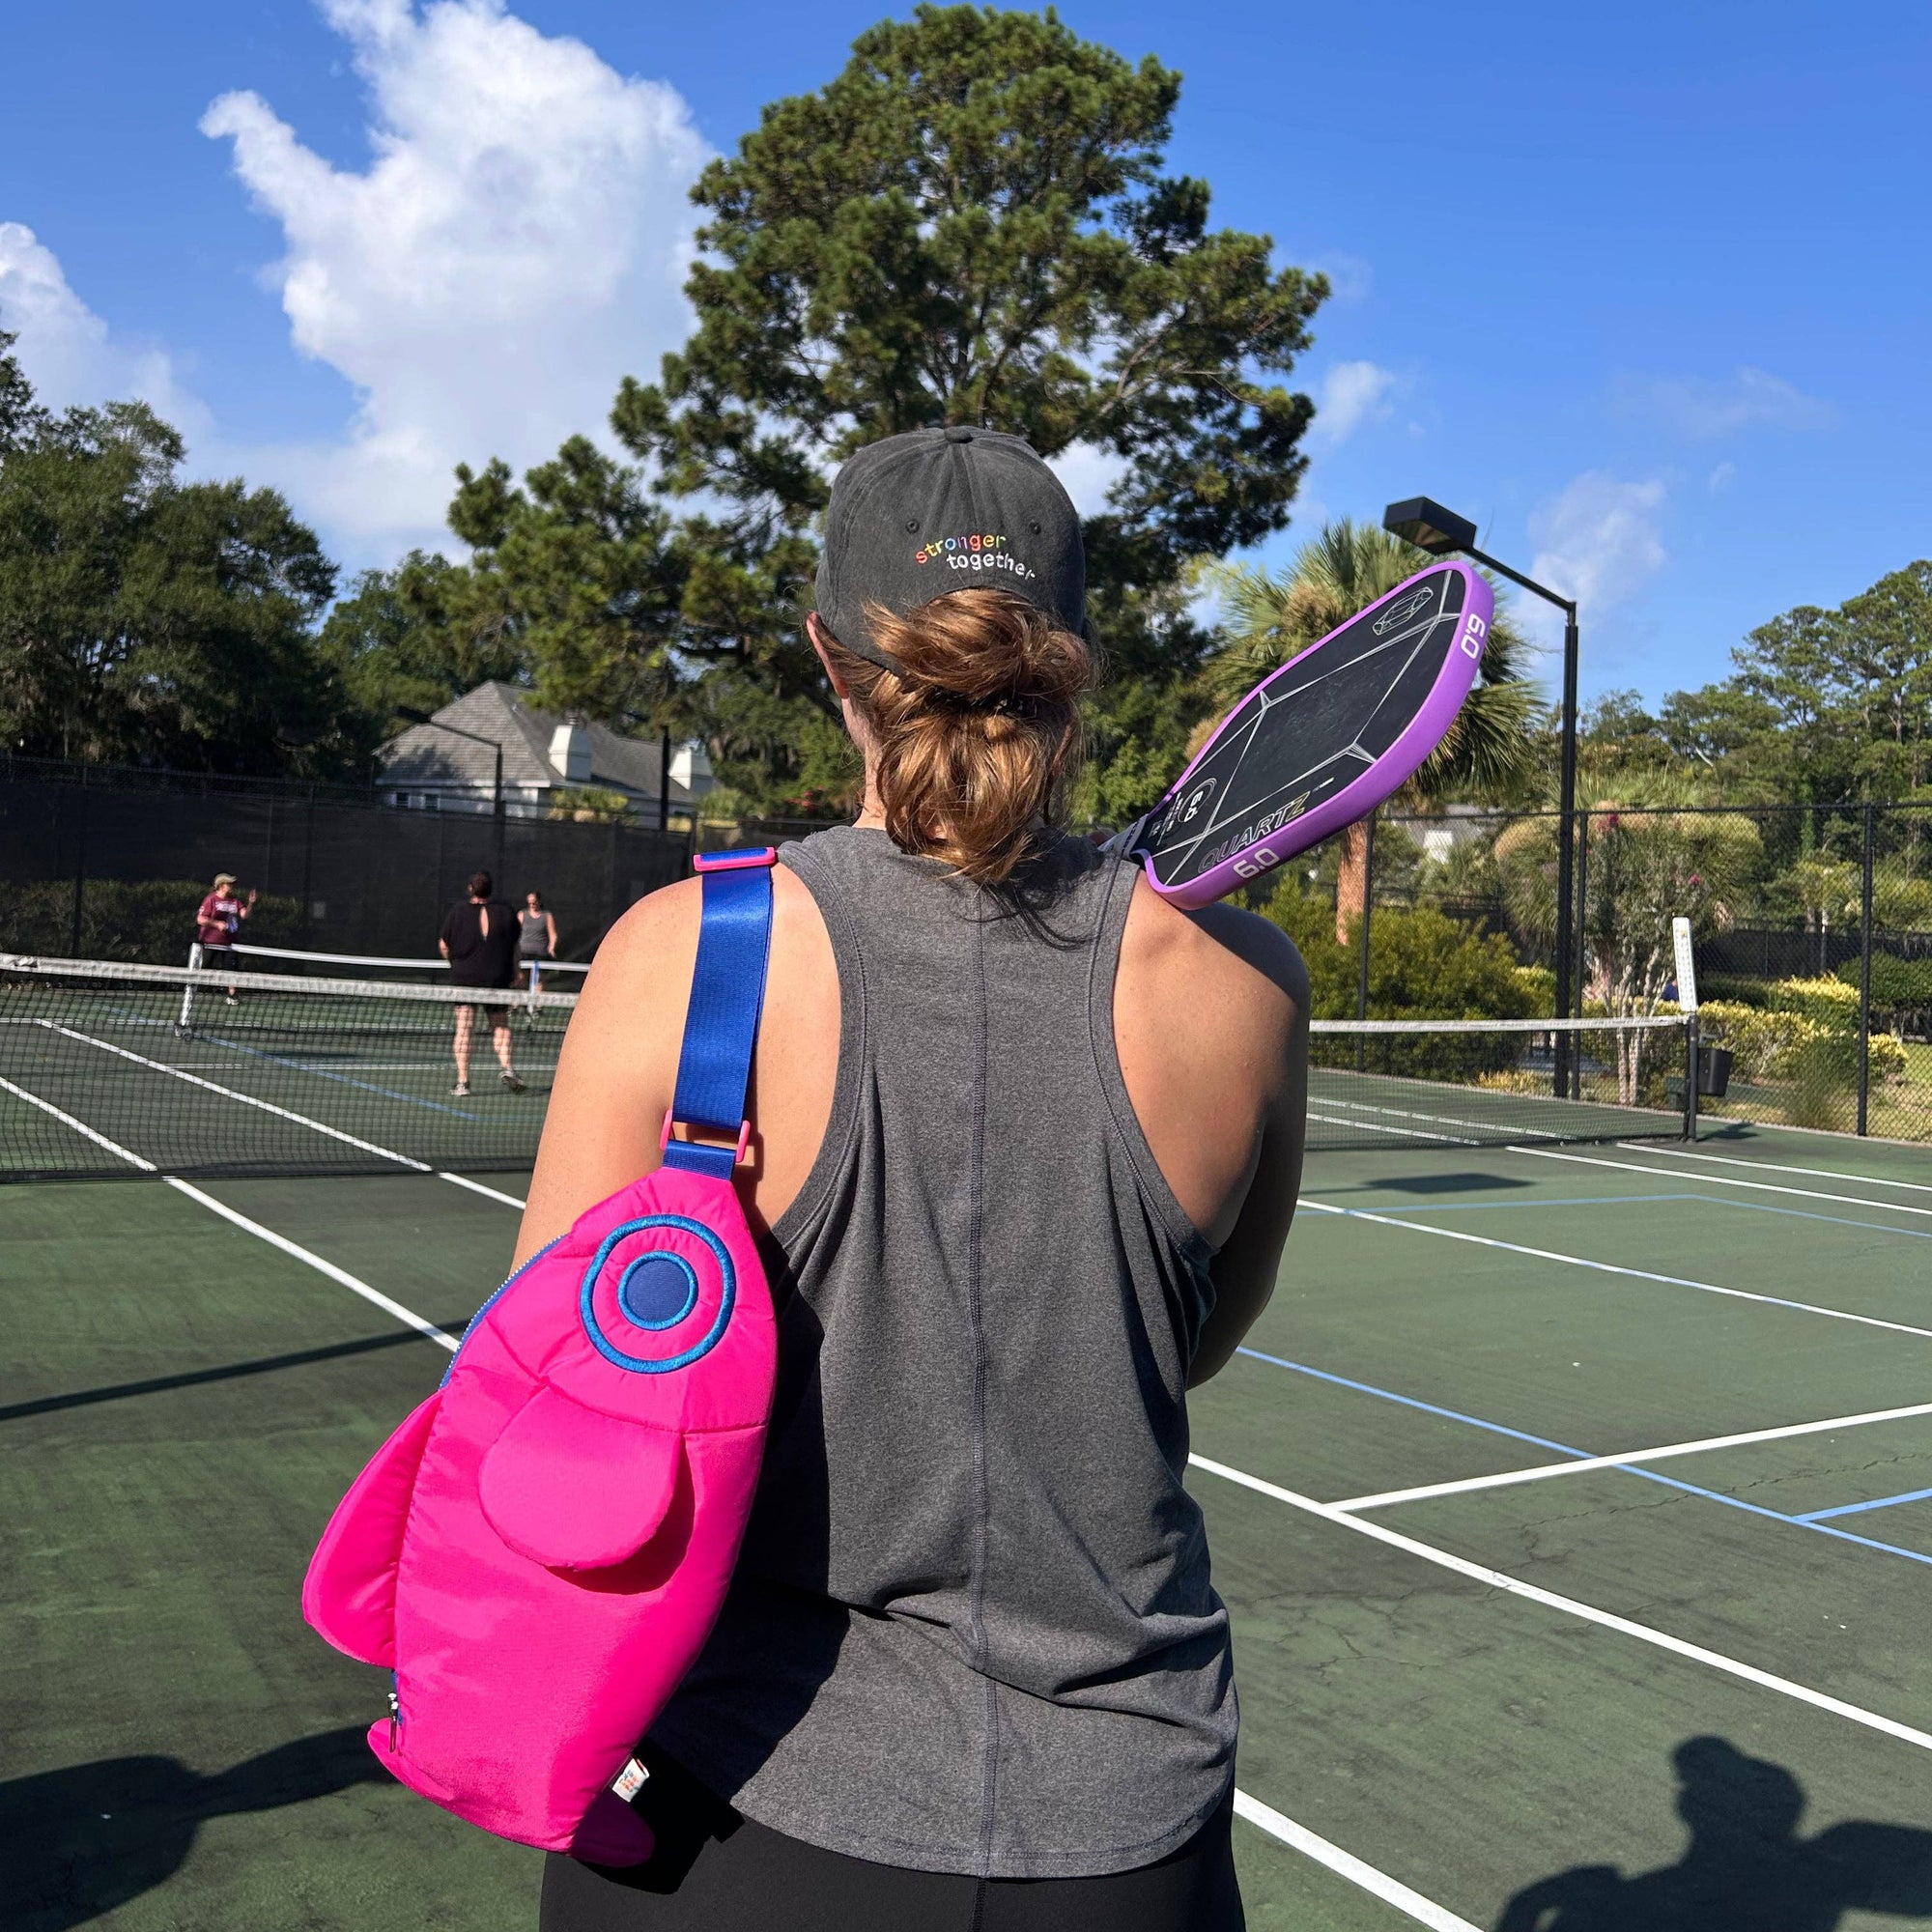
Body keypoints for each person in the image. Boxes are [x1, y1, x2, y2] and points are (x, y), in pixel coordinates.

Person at [517, 427, 1309, 1931]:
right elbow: (1180, 1349)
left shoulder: (679, 960)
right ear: (1072, 655)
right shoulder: (1247, 981)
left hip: (733, 1816)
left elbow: (551, 1410)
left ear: (829, 653)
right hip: (1126, 1843)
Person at [439, 870, 524, 1097]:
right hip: (497, 977)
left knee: (464, 1029)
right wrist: (516, 971)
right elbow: (515, 946)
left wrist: (455, 965)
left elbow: (444, 946)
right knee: (501, 1026)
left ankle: (463, 1083)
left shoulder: (457, 912)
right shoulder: (506, 912)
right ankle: (507, 1067)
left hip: (465, 979)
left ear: (470, 889)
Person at [194, 871, 256, 1004]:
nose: (232, 885)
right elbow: (200, 919)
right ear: (221, 885)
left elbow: (245, 915)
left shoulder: (235, 901)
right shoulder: (211, 899)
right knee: (204, 968)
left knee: (231, 970)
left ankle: (232, 996)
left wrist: (250, 903)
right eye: (229, 883)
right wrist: (216, 924)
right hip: (211, 942)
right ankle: (192, 992)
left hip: (230, 943)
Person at [519, 890, 558, 997]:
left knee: (539, 980)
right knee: (521, 978)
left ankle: (537, 1007)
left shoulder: (547, 916)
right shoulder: (522, 915)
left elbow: (552, 934)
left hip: (540, 953)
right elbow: (515, 932)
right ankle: (516, 1005)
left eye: (534, 902)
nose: (532, 905)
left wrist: (551, 947)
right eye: (530, 903)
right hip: (524, 952)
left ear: (539, 901)